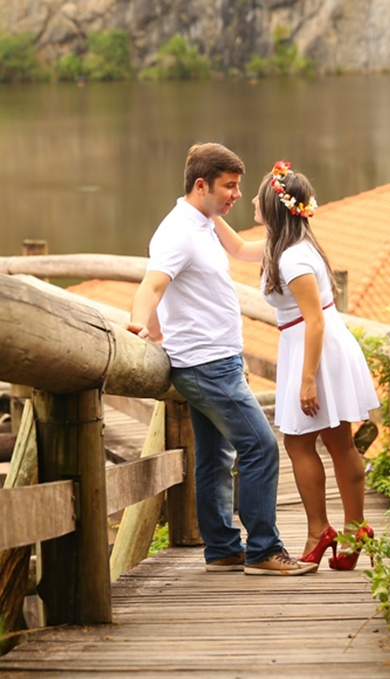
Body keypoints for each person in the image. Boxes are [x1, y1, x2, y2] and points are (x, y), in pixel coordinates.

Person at [128, 143, 316, 577]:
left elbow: (244, 253)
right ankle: (264, 550)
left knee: (215, 455)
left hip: (218, 359)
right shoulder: (179, 231)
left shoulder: (206, 223)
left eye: (237, 186)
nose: (236, 194)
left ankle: (222, 548)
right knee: (260, 445)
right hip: (204, 364)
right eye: (229, 186)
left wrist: (296, 219)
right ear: (201, 185)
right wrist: (142, 327)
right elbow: (152, 285)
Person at [249, 160, 380, 569]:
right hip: (315, 346)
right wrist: (200, 209)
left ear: (273, 206)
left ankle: (318, 529)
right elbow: (236, 248)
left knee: (299, 442)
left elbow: (316, 320)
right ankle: (354, 530)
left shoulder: (292, 259)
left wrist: (308, 381)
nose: (250, 199)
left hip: (314, 350)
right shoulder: (293, 245)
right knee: (338, 442)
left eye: (257, 194)